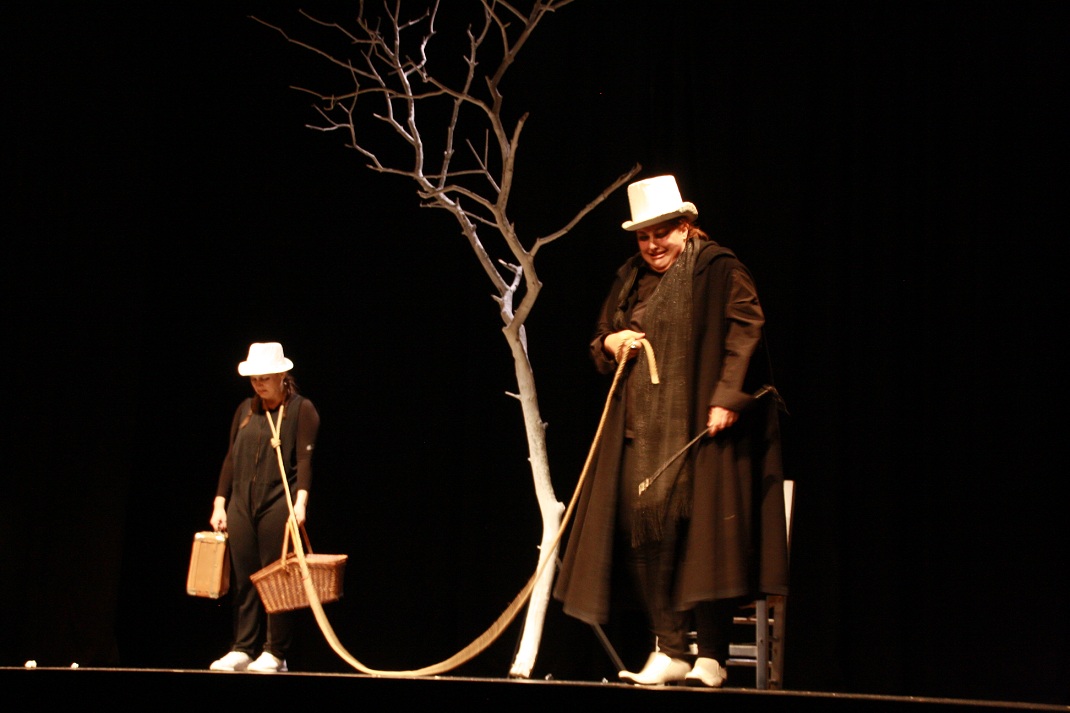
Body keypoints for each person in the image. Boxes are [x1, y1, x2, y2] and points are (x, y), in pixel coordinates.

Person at [553, 175, 789, 687]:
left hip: (702, 427)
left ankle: (712, 657)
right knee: (644, 536)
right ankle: (671, 647)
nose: (653, 244)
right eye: (644, 236)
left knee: (705, 540)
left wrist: (727, 397)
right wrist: (613, 342)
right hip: (640, 431)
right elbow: (601, 336)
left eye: (662, 232)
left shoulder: (718, 268)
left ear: (686, 226)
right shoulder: (630, 277)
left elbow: (745, 328)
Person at [208, 342, 321, 673]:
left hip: (277, 501)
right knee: (244, 578)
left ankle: (275, 652)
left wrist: (300, 503)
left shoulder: (301, 409)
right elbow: (231, 459)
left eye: (265, 378)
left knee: (275, 578)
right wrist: (220, 502)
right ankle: (243, 648)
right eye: (254, 379)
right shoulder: (245, 410)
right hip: (242, 503)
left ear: (282, 376)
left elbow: (305, 461)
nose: (258, 384)